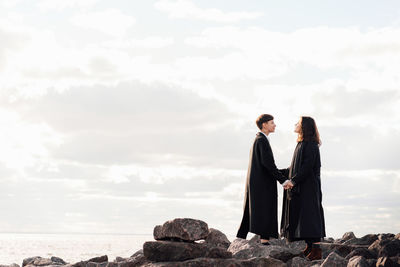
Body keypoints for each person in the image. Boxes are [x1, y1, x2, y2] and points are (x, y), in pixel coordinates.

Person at [237, 114, 288, 245]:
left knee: (258, 210)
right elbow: (268, 164)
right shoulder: (261, 140)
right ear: (264, 124)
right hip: (262, 184)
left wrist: (286, 172)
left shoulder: (259, 139)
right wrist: (283, 180)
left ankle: (256, 239)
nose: (274, 125)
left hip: (259, 183)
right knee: (265, 209)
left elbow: (266, 165)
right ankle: (264, 242)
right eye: (272, 122)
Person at [281, 116, 326, 260]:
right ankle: (309, 246)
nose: (295, 124)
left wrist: (292, 181)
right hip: (301, 186)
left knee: (311, 216)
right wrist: (279, 173)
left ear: (304, 127)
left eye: (298, 123)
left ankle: (317, 250)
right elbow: (294, 167)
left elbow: (307, 167)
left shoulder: (311, 145)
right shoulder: (301, 144)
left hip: (309, 187)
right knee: (303, 217)